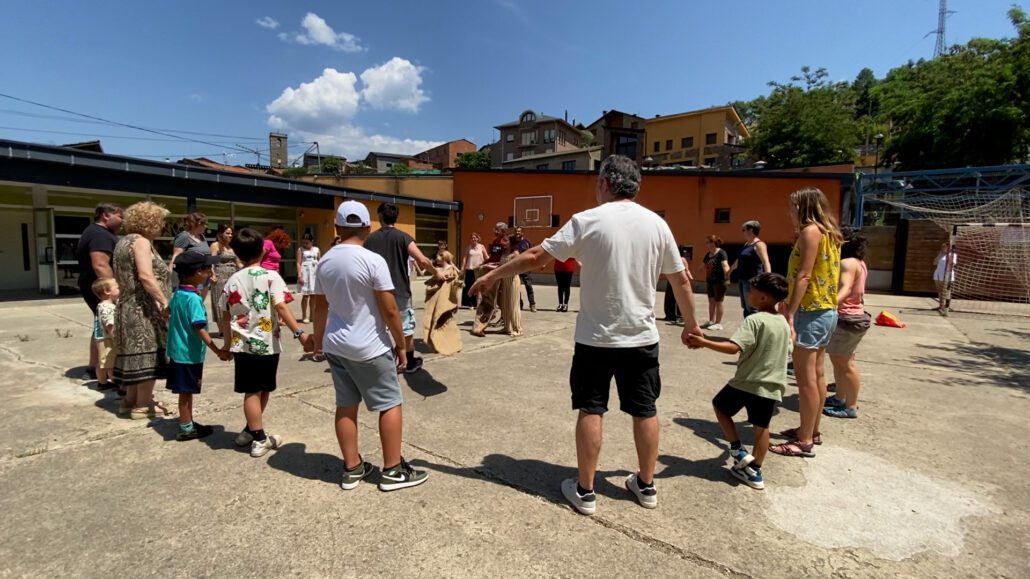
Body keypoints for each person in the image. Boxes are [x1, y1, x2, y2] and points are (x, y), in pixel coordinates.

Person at [469, 154, 702, 515]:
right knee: (645, 409)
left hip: (596, 338)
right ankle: (646, 485)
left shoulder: (587, 221)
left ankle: (586, 491)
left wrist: (491, 275)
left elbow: (535, 258)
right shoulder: (658, 225)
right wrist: (691, 324)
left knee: (591, 408)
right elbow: (680, 279)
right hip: (641, 337)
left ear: (605, 183)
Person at [310, 201, 429, 491]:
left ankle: (352, 468)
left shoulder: (324, 261)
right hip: (369, 346)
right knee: (389, 403)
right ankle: (392, 470)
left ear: (337, 227)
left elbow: (319, 307)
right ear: (366, 227)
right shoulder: (373, 260)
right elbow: (390, 310)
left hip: (336, 345)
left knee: (346, 406)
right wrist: (401, 345)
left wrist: (317, 342)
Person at [686, 273, 791, 490]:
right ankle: (755, 472)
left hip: (747, 381)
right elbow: (789, 348)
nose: (748, 294)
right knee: (761, 428)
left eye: (752, 291)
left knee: (720, 406)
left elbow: (734, 347)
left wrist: (703, 342)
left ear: (763, 298)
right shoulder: (782, 322)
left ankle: (737, 449)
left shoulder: (754, 320)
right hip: (772, 385)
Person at [221, 228, 311, 457]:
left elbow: (224, 312)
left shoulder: (232, 280)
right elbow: (281, 306)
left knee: (255, 388)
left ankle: (250, 430)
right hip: (266, 342)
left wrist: (227, 343)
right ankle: (260, 439)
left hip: (242, 343)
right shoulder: (271, 277)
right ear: (263, 251)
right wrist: (300, 333)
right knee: (259, 389)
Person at [770, 187, 842, 459]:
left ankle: (804, 441)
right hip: (826, 311)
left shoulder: (809, 232)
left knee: (805, 379)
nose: (790, 211)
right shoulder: (830, 234)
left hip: (810, 312)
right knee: (818, 375)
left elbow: (803, 275)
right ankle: (812, 430)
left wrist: (790, 311)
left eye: (793, 206)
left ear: (804, 207)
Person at [112, 201, 172, 419]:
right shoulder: (141, 242)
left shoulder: (123, 242)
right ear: (150, 222)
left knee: (134, 355)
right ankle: (143, 405)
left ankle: (130, 400)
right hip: (142, 309)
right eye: (160, 222)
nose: (162, 227)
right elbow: (146, 276)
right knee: (148, 355)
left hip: (127, 307)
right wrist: (164, 301)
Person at [363, 203, 437, 374]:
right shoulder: (404, 237)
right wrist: (437, 273)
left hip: (376, 292)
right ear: (396, 217)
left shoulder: (369, 240)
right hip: (400, 290)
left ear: (380, 216)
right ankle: (409, 362)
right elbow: (422, 260)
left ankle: (382, 362)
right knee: (405, 328)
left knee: (377, 327)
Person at [167, 252, 229, 441]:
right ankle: (186, 428)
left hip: (178, 350)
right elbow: (199, 328)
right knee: (186, 392)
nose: (210, 271)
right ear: (196, 273)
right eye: (206, 269)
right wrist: (218, 350)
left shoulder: (179, 293)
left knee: (186, 390)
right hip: (188, 353)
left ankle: (188, 422)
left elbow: (166, 312)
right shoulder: (193, 299)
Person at [824, 227, 871, 420]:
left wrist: (827, 304)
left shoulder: (846, 263)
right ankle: (839, 398)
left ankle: (850, 406)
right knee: (841, 361)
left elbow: (845, 288)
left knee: (845, 364)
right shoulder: (859, 262)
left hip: (846, 319)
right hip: (854, 317)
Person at [75, 203, 122, 381]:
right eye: (119, 216)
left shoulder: (96, 232)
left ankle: (95, 367)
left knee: (100, 325)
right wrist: (112, 290)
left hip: (96, 288)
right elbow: (100, 264)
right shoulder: (99, 234)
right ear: (105, 215)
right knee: (105, 325)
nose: (122, 221)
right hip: (101, 290)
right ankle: (99, 368)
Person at [471, 222, 511, 336]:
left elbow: (505, 261)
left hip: (499, 273)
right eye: (495, 229)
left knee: (494, 300)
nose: (495, 231)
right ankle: (480, 325)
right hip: (491, 271)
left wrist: (492, 266)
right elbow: (491, 257)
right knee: (489, 299)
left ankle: (487, 323)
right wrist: (483, 264)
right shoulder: (495, 242)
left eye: (497, 230)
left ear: (503, 231)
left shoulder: (506, 243)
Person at [729, 220, 772, 317]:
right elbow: (739, 260)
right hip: (742, 279)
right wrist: (730, 271)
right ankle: (748, 328)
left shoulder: (759, 244)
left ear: (751, 230)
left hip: (752, 281)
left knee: (753, 307)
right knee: (745, 307)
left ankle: (755, 330)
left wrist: (768, 279)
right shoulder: (746, 244)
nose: (742, 232)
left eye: (744, 230)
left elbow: (766, 262)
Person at [209, 224, 241, 338]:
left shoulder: (232, 248)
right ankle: (222, 330)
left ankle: (230, 327)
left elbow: (239, 264)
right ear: (220, 234)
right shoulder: (215, 245)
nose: (230, 235)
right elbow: (211, 262)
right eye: (227, 233)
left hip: (232, 277)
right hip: (220, 277)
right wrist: (212, 274)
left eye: (231, 233)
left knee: (232, 303)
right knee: (219, 303)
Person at [91, 278, 120, 391]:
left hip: (101, 337)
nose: (120, 289)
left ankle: (102, 381)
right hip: (108, 339)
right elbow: (109, 325)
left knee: (102, 361)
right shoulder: (108, 308)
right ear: (107, 291)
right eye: (117, 287)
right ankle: (112, 382)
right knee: (111, 362)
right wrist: (116, 337)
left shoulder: (101, 305)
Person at [701, 235, 730, 330]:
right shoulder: (708, 254)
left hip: (720, 281)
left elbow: (725, 265)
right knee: (711, 301)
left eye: (708, 242)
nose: (707, 244)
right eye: (706, 242)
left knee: (719, 302)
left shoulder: (721, 253)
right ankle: (711, 321)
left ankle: (718, 323)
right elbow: (703, 265)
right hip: (710, 281)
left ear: (713, 243)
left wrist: (727, 273)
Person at [497, 236, 523, 336]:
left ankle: (518, 329)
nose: (503, 242)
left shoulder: (515, 254)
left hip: (513, 279)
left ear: (510, 243)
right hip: (505, 280)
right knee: (505, 304)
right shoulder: (503, 253)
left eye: (505, 241)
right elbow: (500, 266)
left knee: (513, 304)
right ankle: (507, 327)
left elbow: (518, 267)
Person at [662, 246, 693, 323]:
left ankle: (679, 316)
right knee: (669, 298)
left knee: (678, 298)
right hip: (672, 279)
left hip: (678, 280)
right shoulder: (670, 259)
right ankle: (670, 315)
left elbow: (686, 270)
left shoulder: (682, 259)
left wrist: (690, 278)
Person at [296, 233, 321, 323]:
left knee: (313, 296)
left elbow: (319, 261)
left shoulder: (317, 249)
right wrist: (299, 275)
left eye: (307, 243)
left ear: (312, 242)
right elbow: (298, 263)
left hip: (314, 274)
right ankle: (304, 315)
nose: (305, 244)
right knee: (305, 296)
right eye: (304, 243)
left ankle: (312, 315)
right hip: (305, 273)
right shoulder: (300, 250)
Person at [460, 232, 488, 308]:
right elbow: (465, 258)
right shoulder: (468, 247)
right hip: (470, 269)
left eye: (475, 237)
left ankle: (479, 303)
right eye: (472, 238)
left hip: (479, 269)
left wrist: (488, 265)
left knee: (478, 286)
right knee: (469, 286)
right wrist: (462, 268)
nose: (473, 239)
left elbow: (486, 257)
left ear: (478, 238)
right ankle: (469, 304)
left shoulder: (482, 247)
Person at [513, 226, 537, 312]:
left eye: (519, 231)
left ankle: (532, 304)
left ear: (522, 232)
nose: (517, 233)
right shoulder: (513, 243)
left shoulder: (527, 242)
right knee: (516, 287)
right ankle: (519, 304)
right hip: (516, 268)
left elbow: (533, 252)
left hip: (526, 268)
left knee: (528, 286)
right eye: (516, 231)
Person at [933, 242, 956, 312]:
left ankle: (947, 306)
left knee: (946, 291)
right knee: (939, 291)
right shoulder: (941, 255)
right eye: (942, 247)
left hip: (947, 276)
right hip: (937, 275)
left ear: (948, 248)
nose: (942, 248)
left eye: (944, 247)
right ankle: (941, 305)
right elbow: (934, 263)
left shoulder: (952, 255)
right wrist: (940, 255)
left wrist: (948, 254)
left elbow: (952, 263)